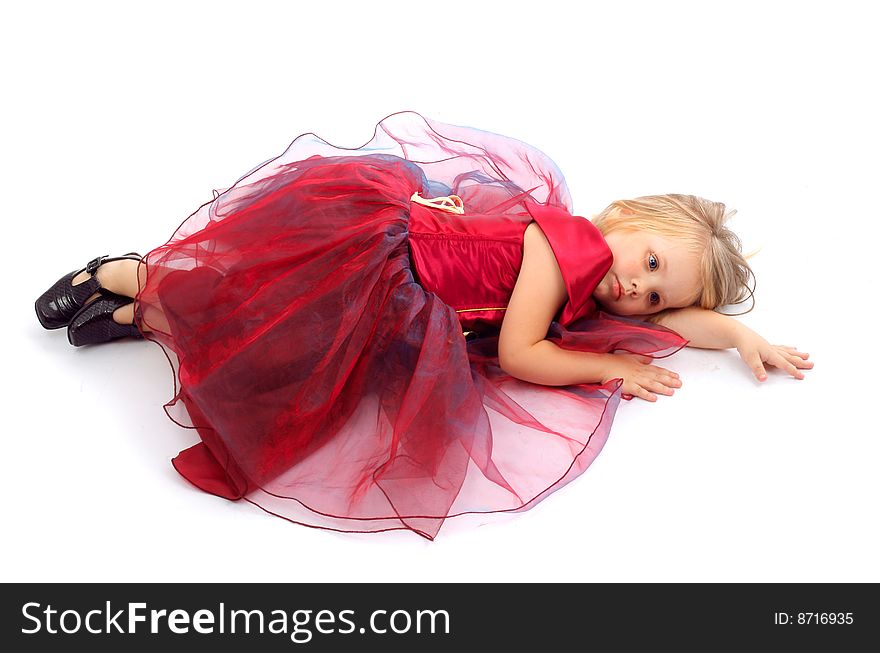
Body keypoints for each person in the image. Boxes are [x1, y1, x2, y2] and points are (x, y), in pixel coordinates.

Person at [34, 112, 812, 540]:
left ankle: (148, 316)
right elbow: (520, 351)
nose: (634, 289)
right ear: (624, 217)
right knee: (249, 297)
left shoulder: (604, 287)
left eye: (649, 295)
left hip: (398, 314)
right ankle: (122, 276)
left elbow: (685, 318)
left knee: (288, 363)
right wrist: (607, 369)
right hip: (370, 267)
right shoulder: (565, 247)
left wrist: (742, 337)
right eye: (644, 260)